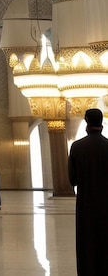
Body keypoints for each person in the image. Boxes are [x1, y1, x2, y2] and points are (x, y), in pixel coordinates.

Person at [68, 108, 108, 276]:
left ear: (86, 121)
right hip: (106, 205)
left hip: (86, 205)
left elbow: (72, 180)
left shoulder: (77, 147)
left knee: (87, 239)